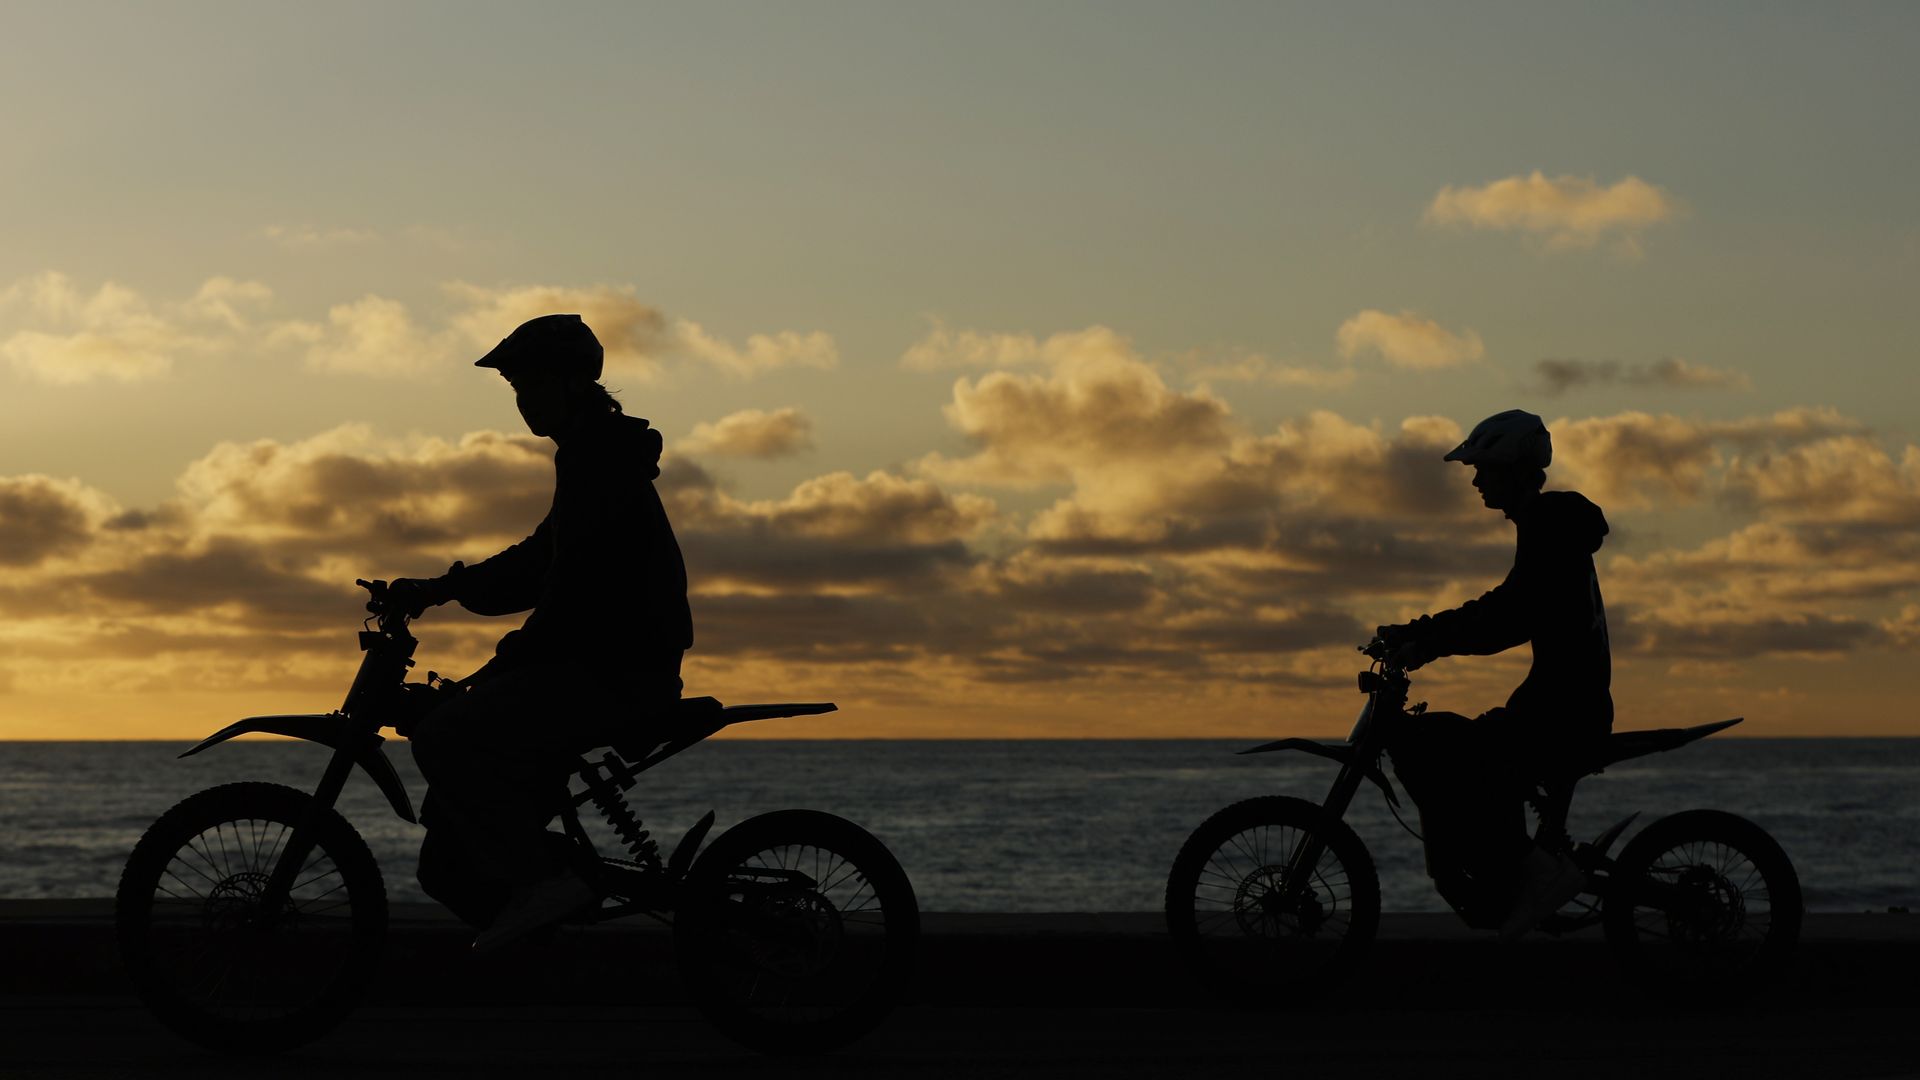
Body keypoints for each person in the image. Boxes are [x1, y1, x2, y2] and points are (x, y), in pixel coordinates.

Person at [385, 313, 693, 952]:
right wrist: (441, 589)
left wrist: (504, 662)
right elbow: (542, 559)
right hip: (596, 667)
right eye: (516, 389)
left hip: (618, 673)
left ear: (576, 382)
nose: (523, 401)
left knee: (445, 735)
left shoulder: (600, 460)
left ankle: (551, 876)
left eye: (532, 384)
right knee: (446, 857)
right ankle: (548, 936)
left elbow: (572, 586)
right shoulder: (588, 453)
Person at [1376, 409, 1610, 940]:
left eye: (1484, 468)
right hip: (1556, 702)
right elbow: (1506, 605)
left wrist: (1427, 642)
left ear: (1512, 468)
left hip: (1563, 710)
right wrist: (1422, 630)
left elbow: (1507, 617)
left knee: (1455, 751)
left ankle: (1534, 874)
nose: (1476, 480)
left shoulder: (1549, 527)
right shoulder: (1546, 526)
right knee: (1452, 742)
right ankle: (1518, 871)